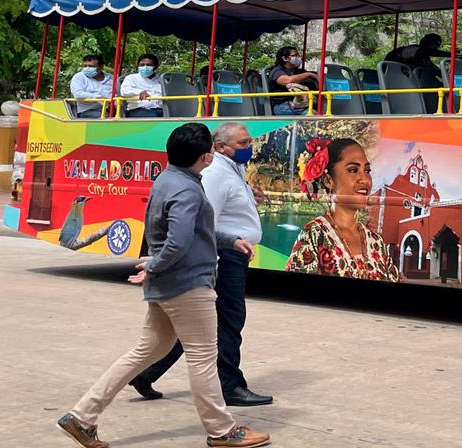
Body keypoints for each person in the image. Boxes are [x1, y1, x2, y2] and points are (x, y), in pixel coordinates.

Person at [56, 123, 269, 448]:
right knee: (202, 357)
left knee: (146, 351)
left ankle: (82, 416)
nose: (213, 154)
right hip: (187, 283)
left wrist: (231, 240)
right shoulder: (186, 189)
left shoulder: (169, 180)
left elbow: (197, 230)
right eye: (210, 150)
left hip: (168, 283)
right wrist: (152, 265)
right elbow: (180, 239)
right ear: (204, 157)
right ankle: (222, 430)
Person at [130, 123, 272, 407]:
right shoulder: (215, 174)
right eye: (243, 143)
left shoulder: (232, 168)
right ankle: (229, 386)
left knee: (197, 329)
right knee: (228, 322)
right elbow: (206, 223)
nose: (249, 147)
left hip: (233, 251)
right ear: (219, 148)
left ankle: (146, 373)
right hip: (222, 257)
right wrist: (217, 258)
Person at [286, 138, 401, 281]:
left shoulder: (376, 242)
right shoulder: (315, 234)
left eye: (367, 170)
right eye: (353, 170)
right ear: (329, 180)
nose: (365, 179)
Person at [268, 46, 318, 116]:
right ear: (285, 58)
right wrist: (309, 74)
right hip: (282, 105)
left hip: (299, 103)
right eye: (295, 55)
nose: (298, 57)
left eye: (298, 55)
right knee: (312, 114)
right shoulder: (277, 71)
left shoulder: (296, 71)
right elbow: (287, 81)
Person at [119, 53, 164, 118]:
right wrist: (140, 92)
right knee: (154, 116)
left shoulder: (161, 80)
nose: (145, 67)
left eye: (149, 65)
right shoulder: (131, 78)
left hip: (161, 109)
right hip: (138, 110)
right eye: (142, 65)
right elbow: (124, 91)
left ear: (155, 66)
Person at [70, 54, 113, 119]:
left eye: (91, 66)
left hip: (111, 109)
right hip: (88, 111)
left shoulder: (110, 78)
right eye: (85, 66)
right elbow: (78, 94)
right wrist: (98, 97)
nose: (87, 68)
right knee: (106, 119)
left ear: (101, 67)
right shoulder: (79, 77)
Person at [383, 33, 449, 71]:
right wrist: (448, 54)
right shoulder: (411, 49)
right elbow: (425, 51)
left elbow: (435, 70)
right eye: (435, 46)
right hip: (395, 78)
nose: (436, 49)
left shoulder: (424, 59)